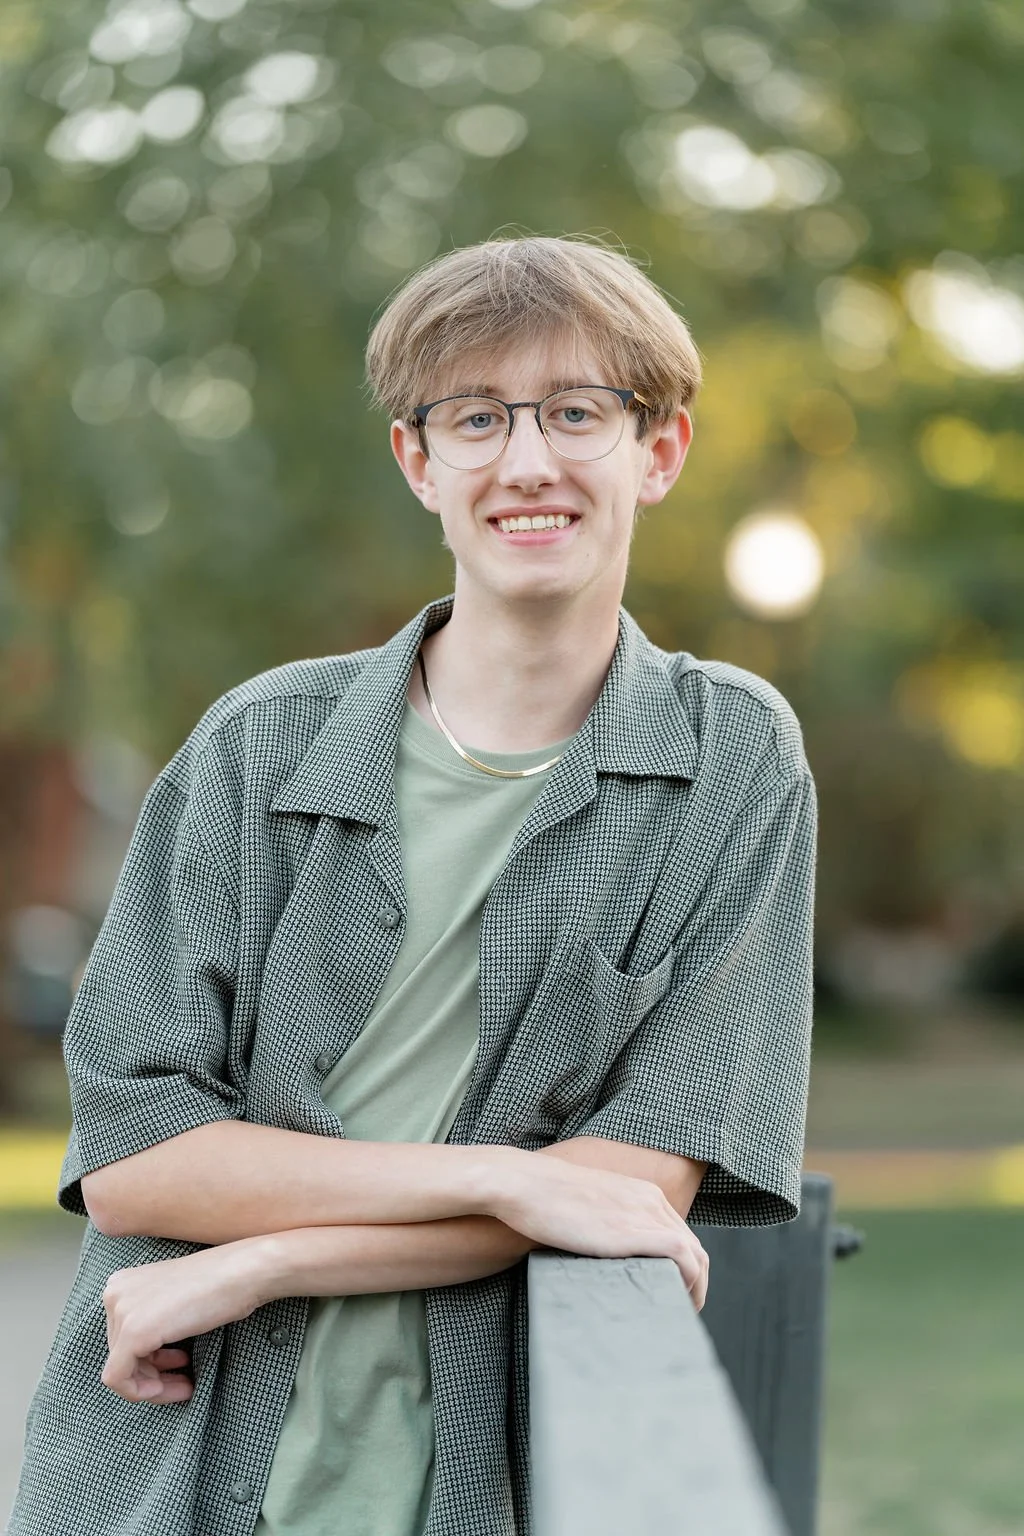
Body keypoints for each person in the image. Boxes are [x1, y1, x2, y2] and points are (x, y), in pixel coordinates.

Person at [8, 234, 816, 1536]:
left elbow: (632, 1184)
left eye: (577, 412)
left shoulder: (731, 758)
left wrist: (269, 1259)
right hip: (167, 1462)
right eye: (479, 417)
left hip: (480, 1477)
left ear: (657, 451)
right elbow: (137, 1155)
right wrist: (509, 1179)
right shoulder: (259, 745)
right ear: (418, 462)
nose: (529, 461)